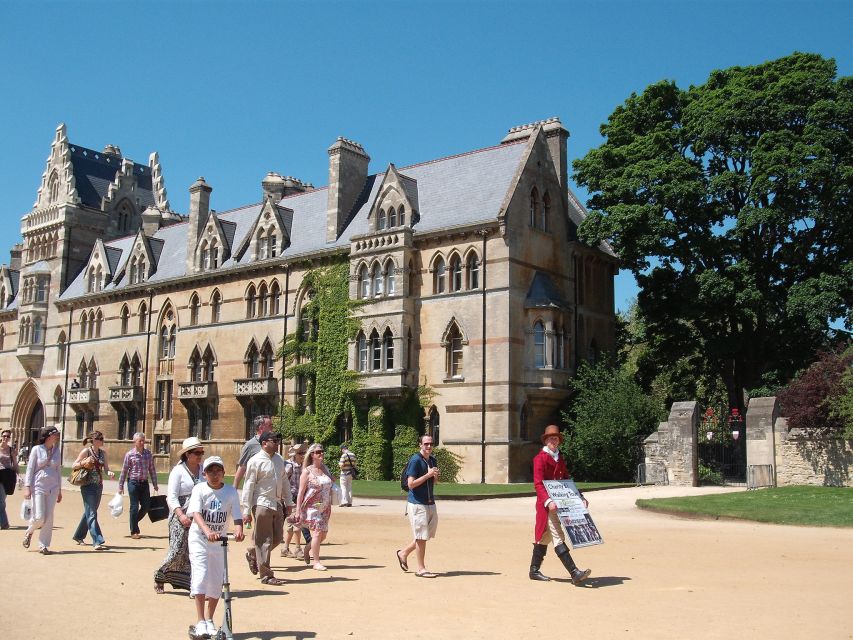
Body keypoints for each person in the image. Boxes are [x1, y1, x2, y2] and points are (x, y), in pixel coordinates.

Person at [187, 456, 244, 639]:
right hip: (199, 539)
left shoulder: (230, 492)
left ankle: (210, 619)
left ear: (223, 473)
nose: (214, 474)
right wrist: (207, 530)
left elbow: (237, 514)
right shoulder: (199, 489)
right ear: (204, 474)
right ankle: (200, 620)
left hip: (220, 541)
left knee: (216, 581)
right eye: (210, 470)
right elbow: (196, 513)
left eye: (218, 470)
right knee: (201, 575)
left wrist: (238, 529)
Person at [528, 424, 591, 585]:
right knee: (558, 536)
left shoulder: (559, 458)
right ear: (546, 440)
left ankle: (534, 571)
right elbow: (538, 484)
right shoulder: (539, 459)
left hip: (561, 505)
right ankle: (574, 573)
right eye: (551, 438)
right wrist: (548, 501)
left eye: (556, 438)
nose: (553, 441)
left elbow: (566, 481)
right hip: (547, 506)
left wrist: (579, 497)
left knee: (544, 538)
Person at [241, 431, 293, 585]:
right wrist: (246, 510)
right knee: (264, 540)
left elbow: (284, 481)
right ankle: (266, 575)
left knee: (277, 538)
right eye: (274, 440)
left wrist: (289, 502)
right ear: (264, 443)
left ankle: (253, 554)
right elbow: (248, 486)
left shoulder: (279, 459)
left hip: (276, 502)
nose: (277, 443)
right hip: (261, 502)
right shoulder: (255, 461)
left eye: (278, 440)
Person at [154, 436, 204, 594]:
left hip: (197, 515)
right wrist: (181, 515)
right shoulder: (178, 471)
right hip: (179, 516)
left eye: (201, 452)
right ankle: (160, 576)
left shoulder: (203, 469)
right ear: (188, 454)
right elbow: (172, 497)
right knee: (176, 550)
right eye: (197, 453)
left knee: (194, 552)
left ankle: (193, 584)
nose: (200, 456)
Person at [396, 434, 440, 578]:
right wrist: (428, 475)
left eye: (431, 444)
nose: (428, 446)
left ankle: (404, 553)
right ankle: (421, 569)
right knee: (421, 536)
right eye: (426, 444)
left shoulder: (432, 460)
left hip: (430, 502)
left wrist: (435, 476)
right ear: (420, 445)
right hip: (417, 503)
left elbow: (434, 483)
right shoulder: (415, 460)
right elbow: (411, 484)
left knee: (425, 536)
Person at [71, 430, 115, 549]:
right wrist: (84, 462)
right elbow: (74, 465)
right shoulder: (86, 451)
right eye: (100, 439)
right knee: (92, 513)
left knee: (89, 512)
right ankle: (97, 540)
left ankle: (79, 535)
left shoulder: (103, 453)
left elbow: (106, 468)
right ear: (94, 440)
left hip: (98, 486)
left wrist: (109, 473)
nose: (102, 441)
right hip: (87, 485)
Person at [23, 425, 63, 554]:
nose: (57, 436)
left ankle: (43, 545)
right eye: (55, 434)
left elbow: (58, 470)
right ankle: (29, 532)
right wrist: (27, 487)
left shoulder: (57, 451)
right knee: (39, 517)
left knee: (49, 517)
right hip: (38, 485)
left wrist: (60, 490)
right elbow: (30, 469)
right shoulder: (36, 449)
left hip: (53, 486)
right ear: (48, 436)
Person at [295, 443, 334, 571]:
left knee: (324, 534)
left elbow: (330, 483)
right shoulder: (307, 471)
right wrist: (298, 511)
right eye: (318, 452)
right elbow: (301, 492)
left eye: (322, 451)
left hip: (325, 506)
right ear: (312, 455)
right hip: (313, 506)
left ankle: (308, 547)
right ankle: (316, 561)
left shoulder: (325, 468)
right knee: (317, 532)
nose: (321, 453)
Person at [117, 432, 159, 539]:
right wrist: (120, 486)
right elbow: (124, 471)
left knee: (146, 506)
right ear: (134, 442)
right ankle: (134, 530)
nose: (142, 442)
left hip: (144, 483)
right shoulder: (129, 454)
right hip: (133, 483)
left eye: (143, 440)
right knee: (134, 507)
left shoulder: (148, 454)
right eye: (140, 440)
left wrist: (155, 484)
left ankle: (133, 522)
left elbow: (152, 470)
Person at [281, 443, 309, 558]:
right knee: (296, 523)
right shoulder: (289, 465)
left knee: (292, 524)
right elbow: (282, 481)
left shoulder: (304, 465)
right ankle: (297, 549)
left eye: (304, 453)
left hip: (300, 497)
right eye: (301, 453)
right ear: (295, 454)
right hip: (291, 497)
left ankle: (285, 548)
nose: (303, 455)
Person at [233, 415, 272, 489]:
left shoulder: (272, 443)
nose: (272, 428)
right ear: (261, 428)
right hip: (255, 490)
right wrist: (233, 491)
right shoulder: (250, 445)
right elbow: (242, 468)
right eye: (270, 425)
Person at [0, 428, 21, 530]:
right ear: (1, 437)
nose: (6, 438)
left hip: (6, 476)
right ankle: (4, 523)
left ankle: (3, 522)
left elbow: (15, 464)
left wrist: (19, 475)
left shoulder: (11, 450)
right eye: (4, 436)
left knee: (2, 500)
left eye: (8, 436)